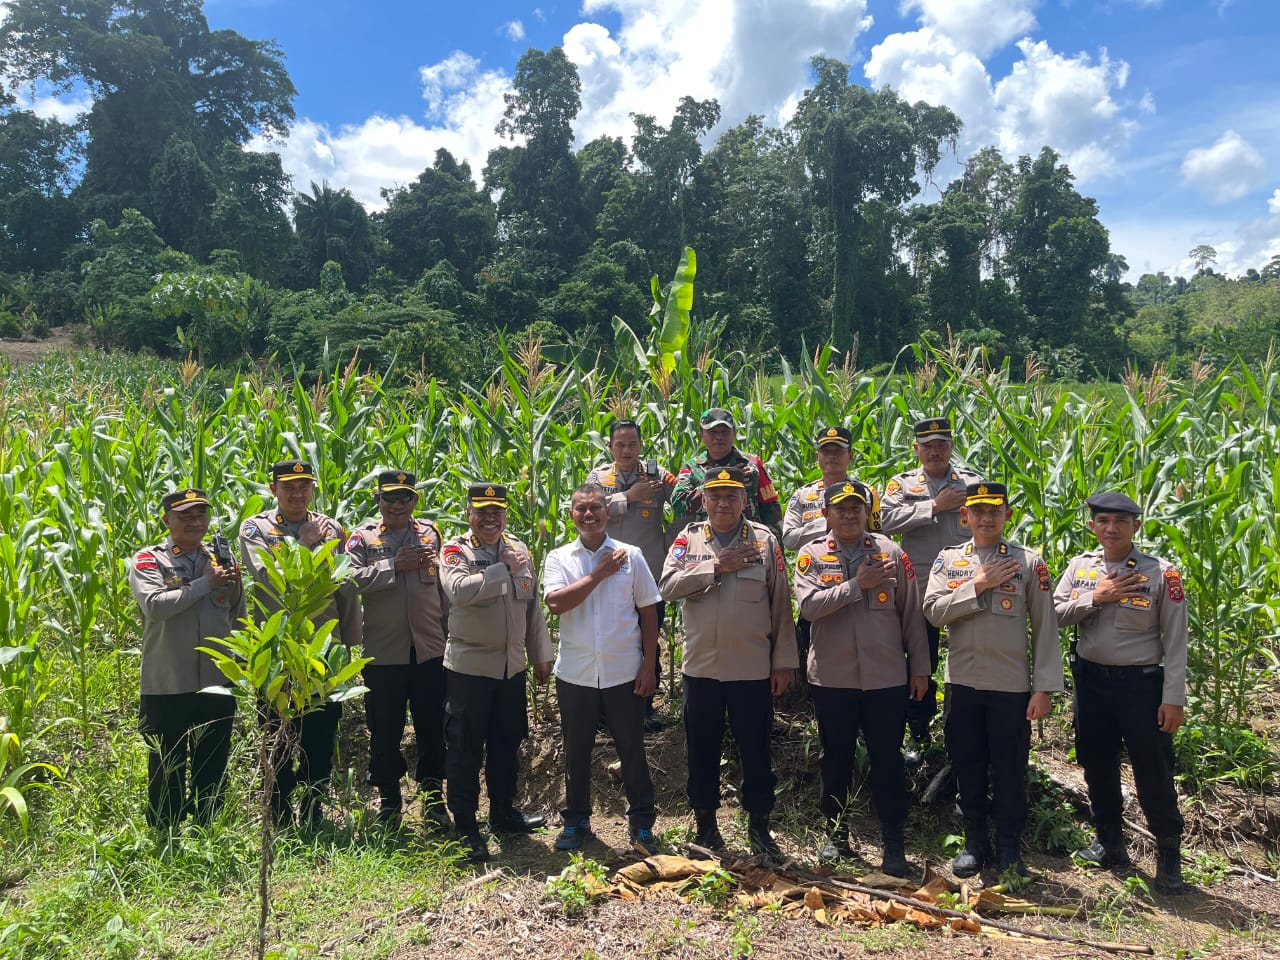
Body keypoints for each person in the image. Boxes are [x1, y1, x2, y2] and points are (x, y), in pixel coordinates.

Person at [923, 482, 1062, 878]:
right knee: (967, 764)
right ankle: (973, 842)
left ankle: (1008, 847)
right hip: (963, 683)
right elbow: (932, 611)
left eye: (994, 511)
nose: (986, 518)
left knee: (1009, 769)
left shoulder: (1028, 563)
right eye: (978, 511)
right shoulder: (949, 561)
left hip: (1010, 687)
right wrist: (978, 584)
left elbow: (1045, 628)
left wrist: (1044, 688)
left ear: (1007, 515)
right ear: (964, 515)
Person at [659, 466, 798, 860]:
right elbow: (667, 587)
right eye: (715, 496)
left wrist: (783, 662)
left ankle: (760, 828)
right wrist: (716, 566)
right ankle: (706, 828)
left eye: (731, 496)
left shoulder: (764, 541)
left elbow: (780, 604)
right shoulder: (689, 539)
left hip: (751, 670)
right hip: (701, 669)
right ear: (703, 501)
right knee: (701, 749)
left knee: (756, 751)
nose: (723, 502)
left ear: (744, 501)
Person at [792, 480, 929, 876]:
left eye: (856, 508)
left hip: (886, 678)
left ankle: (893, 845)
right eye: (841, 508)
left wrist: (919, 668)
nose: (849, 515)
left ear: (868, 512)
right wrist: (857, 586)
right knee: (836, 758)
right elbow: (810, 606)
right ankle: (836, 837)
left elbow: (911, 617)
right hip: (833, 679)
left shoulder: (891, 553)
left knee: (888, 760)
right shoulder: (812, 555)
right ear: (826, 514)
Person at [1054, 492, 1188, 894]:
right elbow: (1054, 614)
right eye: (1104, 521)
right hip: (1092, 684)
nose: (1111, 528)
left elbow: (1177, 640)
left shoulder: (1162, 573)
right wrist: (1097, 597)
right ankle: (1110, 842)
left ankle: (1168, 853)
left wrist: (1173, 697)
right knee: (1097, 764)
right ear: (1092, 525)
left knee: (1153, 771)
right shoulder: (1080, 567)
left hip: (1141, 688)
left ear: (1136, 526)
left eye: (1121, 521)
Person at [239, 459, 362, 828]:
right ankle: (276, 813)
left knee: (321, 734)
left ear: (313, 489)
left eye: (304, 486)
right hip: (276, 649)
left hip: (323, 646)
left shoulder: (333, 528)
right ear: (273, 489)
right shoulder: (255, 528)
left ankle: (312, 811)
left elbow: (345, 587)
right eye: (288, 487)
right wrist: (304, 543)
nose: (297, 493)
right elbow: (267, 576)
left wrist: (350, 644)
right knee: (276, 731)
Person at [543, 483, 662, 854]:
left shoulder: (632, 555)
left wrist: (649, 665)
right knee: (576, 750)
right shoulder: (559, 558)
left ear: (608, 512)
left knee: (632, 749)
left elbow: (648, 611)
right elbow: (557, 604)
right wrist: (599, 573)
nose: (589, 514)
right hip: (576, 673)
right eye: (581, 509)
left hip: (624, 672)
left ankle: (642, 823)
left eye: (595, 507)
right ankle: (576, 821)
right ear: (571, 514)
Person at [440, 482, 554, 863]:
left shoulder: (519, 549)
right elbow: (457, 590)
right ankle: (467, 826)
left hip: (511, 669)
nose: (490, 519)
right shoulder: (456, 550)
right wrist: (501, 569)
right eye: (482, 512)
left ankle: (503, 813)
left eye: (496, 512)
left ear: (505, 514)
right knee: (465, 749)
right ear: (469, 514)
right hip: (470, 669)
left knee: (507, 744)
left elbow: (532, 606)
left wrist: (541, 654)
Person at [129, 487, 244, 830]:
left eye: (201, 514)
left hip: (216, 679)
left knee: (213, 761)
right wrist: (203, 584)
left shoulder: (222, 559)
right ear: (167, 520)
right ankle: (166, 834)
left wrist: (242, 660)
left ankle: (209, 828)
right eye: (185, 515)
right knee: (167, 763)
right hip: (169, 680)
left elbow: (237, 614)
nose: (195, 522)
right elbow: (155, 606)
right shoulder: (151, 560)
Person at [345, 470, 450, 829]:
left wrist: (449, 635)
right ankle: (389, 801)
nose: (397, 504)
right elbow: (347, 581)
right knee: (385, 730)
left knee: (432, 727)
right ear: (378, 500)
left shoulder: (430, 533)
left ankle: (434, 799)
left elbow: (442, 590)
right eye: (390, 497)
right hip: (384, 653)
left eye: (404, 497)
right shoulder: (363, 538)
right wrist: (393, 566)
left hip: (429, 650)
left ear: (415, 501)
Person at [880, 417, 983, 764]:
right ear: (916, 449)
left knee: (968, 660)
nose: (935, 451)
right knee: (919, 664)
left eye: (942, 444)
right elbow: (885, 523)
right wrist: (934, 507)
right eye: (928, 446)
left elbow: (991, 522)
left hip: (968, 589)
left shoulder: (972, 483)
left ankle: (968, 734)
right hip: (920, 589)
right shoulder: (901, 485)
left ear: (952, 446)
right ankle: (919, 733)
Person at [585, 419, 675, 730]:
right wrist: (629, 497)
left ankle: (645, 709)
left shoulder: (657, 474)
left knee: (647, 642)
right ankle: (603, 713)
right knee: (609, 641)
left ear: (641, 445)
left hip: (648, 573)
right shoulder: (598, 476)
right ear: (609, 446)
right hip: (608, 574)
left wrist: (668, 545)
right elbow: (590, 510)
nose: (626, 450)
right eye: (620, 444)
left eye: (632, 444)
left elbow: (685, 507)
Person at [671, 407, 783, 540]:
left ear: (734, 433)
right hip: (708, 542)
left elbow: (771, 508)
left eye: (725, 432)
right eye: (712, 432)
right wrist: (714, 484)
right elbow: (678, 503)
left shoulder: (752, 464)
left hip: (749, 541)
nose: (719, 437)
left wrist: (775, 548)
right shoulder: (692, 467)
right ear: (701, 435)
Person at [781, 426, 883, 551]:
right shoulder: (802, 495)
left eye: (838, 452)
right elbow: (789, 540)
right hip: (817, 566)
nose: (831, 456)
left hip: (860, 564)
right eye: (826, 451)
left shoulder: (867, 494)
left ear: (850, 456)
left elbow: (880, 539)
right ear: (817, 456)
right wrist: (828, 523)